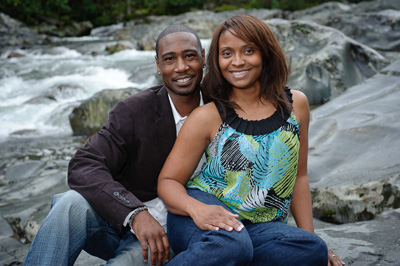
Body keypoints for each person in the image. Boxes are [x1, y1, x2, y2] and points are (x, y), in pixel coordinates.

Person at [158, 15, 345, 266]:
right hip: (201, 218)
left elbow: (299, 177)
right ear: (216, 60)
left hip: (260, 229)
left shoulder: (296, 105)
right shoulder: (207, 116)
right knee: (231, 244)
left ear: (266, 54)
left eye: (248, 51)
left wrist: (306, 237)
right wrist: (196, 209)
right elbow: (168, 182)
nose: (237, 62)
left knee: (313, 249)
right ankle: (226, 253)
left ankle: (226, 259)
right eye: (226, 53)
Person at [24, 24, 206, 266]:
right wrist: (134, 213)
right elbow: (84, 164)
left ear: (203, 57)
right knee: (69, 203)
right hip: (119, 223)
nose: (181, 67)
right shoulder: (134, 111)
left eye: (190, 56)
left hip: (170, 234)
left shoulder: (223, 107)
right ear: (158, 64)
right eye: (170, 59)